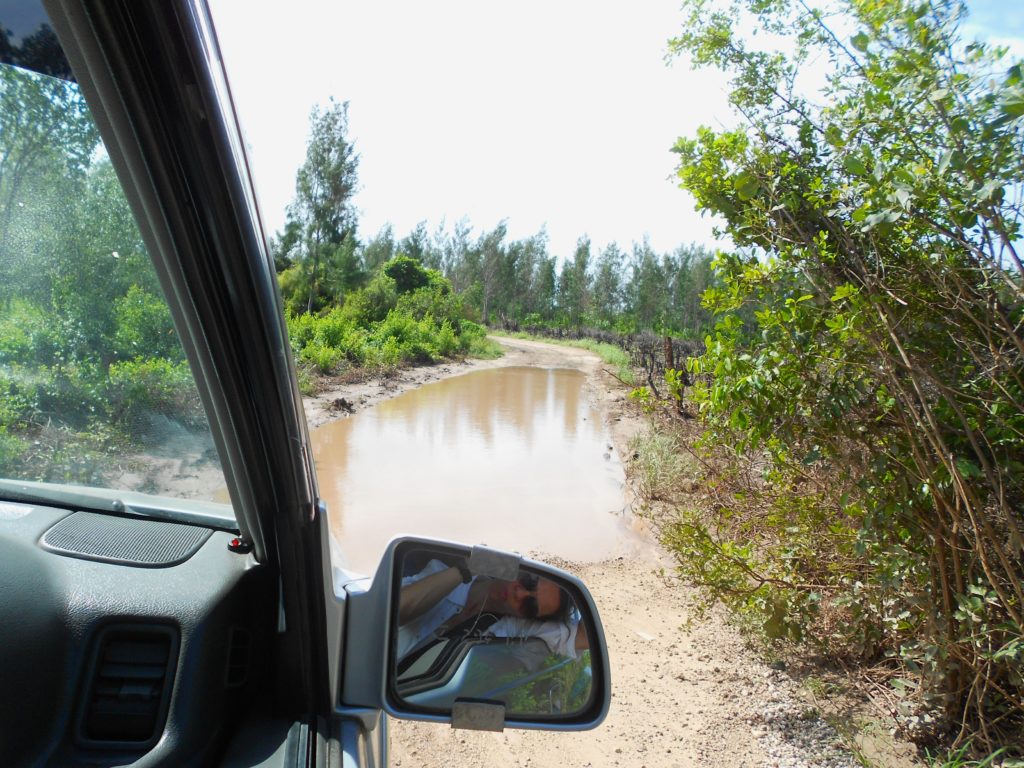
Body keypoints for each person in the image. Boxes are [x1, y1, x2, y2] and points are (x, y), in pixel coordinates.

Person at [396, 558, 587, 662]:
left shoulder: (509, 628)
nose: (519, 593)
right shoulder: (442, 573)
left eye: (530, 606)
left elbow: (584, 637)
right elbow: (395, 611)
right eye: (529, 581)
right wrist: (469, 568)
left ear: (528, 618)